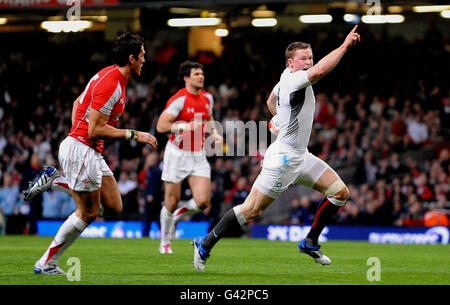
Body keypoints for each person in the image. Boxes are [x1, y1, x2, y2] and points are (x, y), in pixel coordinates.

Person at [192, 26, 360, 271]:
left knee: (340, 193)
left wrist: (279, 120)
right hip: (283, 160)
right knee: (251, 210)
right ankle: (205, 243)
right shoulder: (294, 79)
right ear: (291, 63)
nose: (309, 62)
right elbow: (321, 71)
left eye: (310, 58)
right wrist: (344, 46)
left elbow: (271, 101)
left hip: (301, 156)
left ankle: (310, 241)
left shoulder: (284, 77)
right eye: (304, 59)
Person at [24, 32, 158, 275]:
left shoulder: (108, 74)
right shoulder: (111, 84)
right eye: (142, 56)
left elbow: (77, 103)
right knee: (88, 213)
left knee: (115, 207)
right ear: (131, 58)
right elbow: (95, 130)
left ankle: (57, 181)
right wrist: (134, 134)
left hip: (85, 149)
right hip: (82, 150)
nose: (144, 60)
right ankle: (46, 262)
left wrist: (78, 133)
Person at [156, 61, 222, 254]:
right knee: (171, 201)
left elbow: (208, 118)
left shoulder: (208, 98)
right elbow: (161, 126)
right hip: (177, 153)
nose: (201, 77)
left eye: (202, 74)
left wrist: (214, 133)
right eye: (196, 74)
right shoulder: (179, 100)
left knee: (203, 202)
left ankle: (178, 215)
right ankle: (165, 242)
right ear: (186, 78)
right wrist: (182, 126)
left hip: (198, 153)